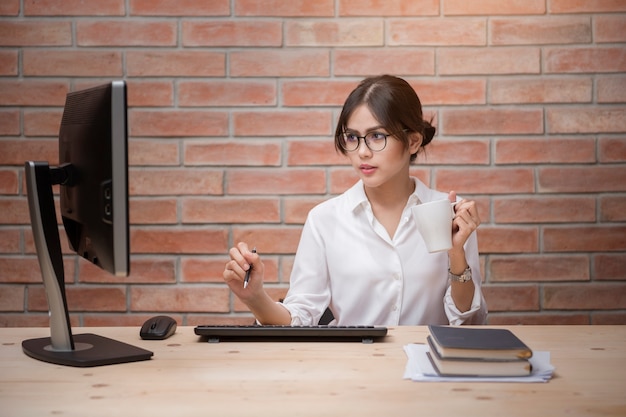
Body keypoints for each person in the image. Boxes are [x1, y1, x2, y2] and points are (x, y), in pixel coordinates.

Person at [223, 75, 487, 326]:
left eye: (377, 136)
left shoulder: (451, 215)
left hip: (427, 364)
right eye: (352, 137)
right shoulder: (325, 219)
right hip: (353, 365)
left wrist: (456, 253)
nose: (362, 152)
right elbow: (301, 316)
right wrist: (256, 298)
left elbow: (470, 323)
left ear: (413, 141)